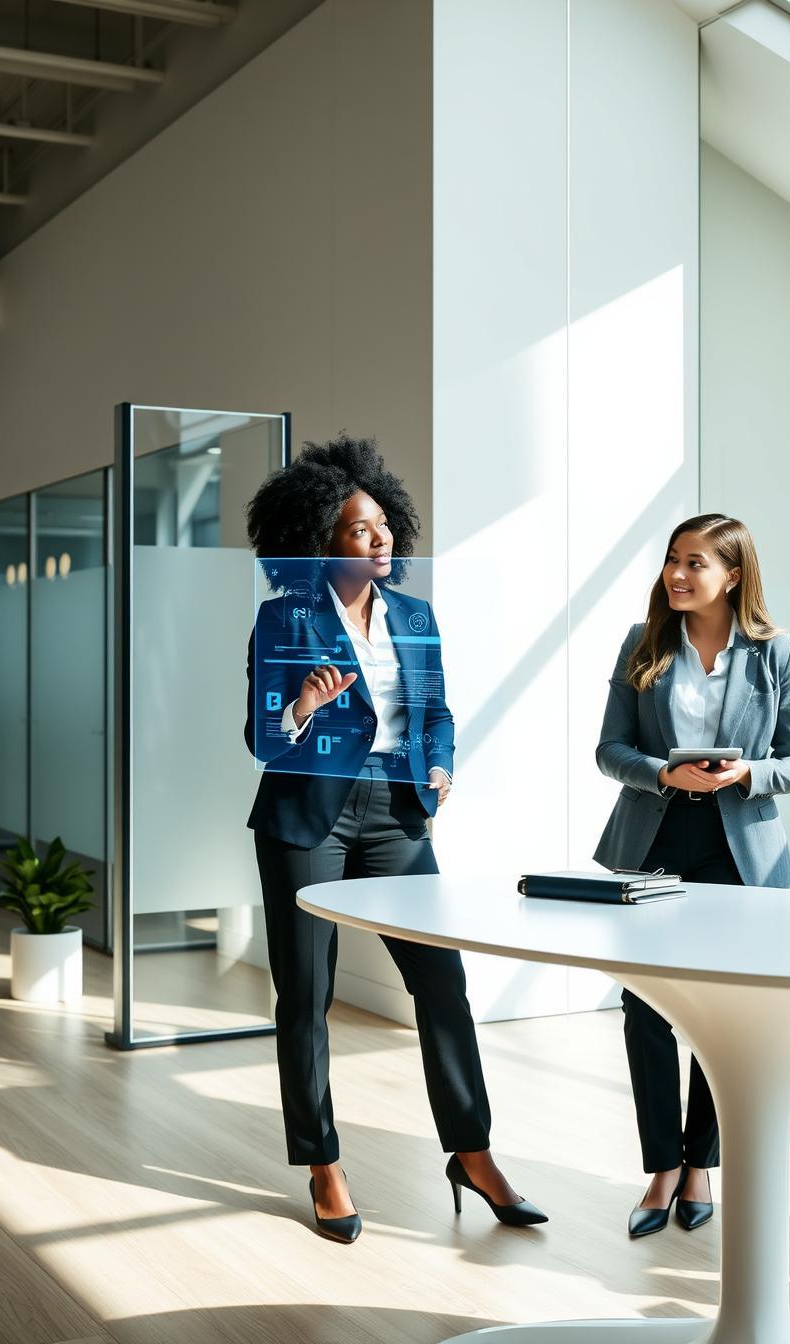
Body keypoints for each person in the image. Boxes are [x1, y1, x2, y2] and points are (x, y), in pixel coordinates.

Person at [244, 434, 546, 1244]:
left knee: (441, 985)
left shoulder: (415, 615)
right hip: (309, 813)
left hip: (397, 813)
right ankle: (323, 1166)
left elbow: (436, 714)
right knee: (306, 996)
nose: (377, 539)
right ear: (318, 542)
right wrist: (301, 705)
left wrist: (440, 768)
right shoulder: (287, 616)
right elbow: (262, 742)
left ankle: (473, 1153)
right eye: (357, 528)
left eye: (383, 525)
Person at [593, 512, 790, 1237]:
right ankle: (662, 1165)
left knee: (725, 1011)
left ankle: (701, 1164)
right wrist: (664, 771)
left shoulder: (777, 652)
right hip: (653, 829)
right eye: (672, 561)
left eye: (696, 563)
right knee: (646, 1007)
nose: (678, 575)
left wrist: (749, 772)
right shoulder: (643, 643)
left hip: (739, 846)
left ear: (734, 573)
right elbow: (610, 750)